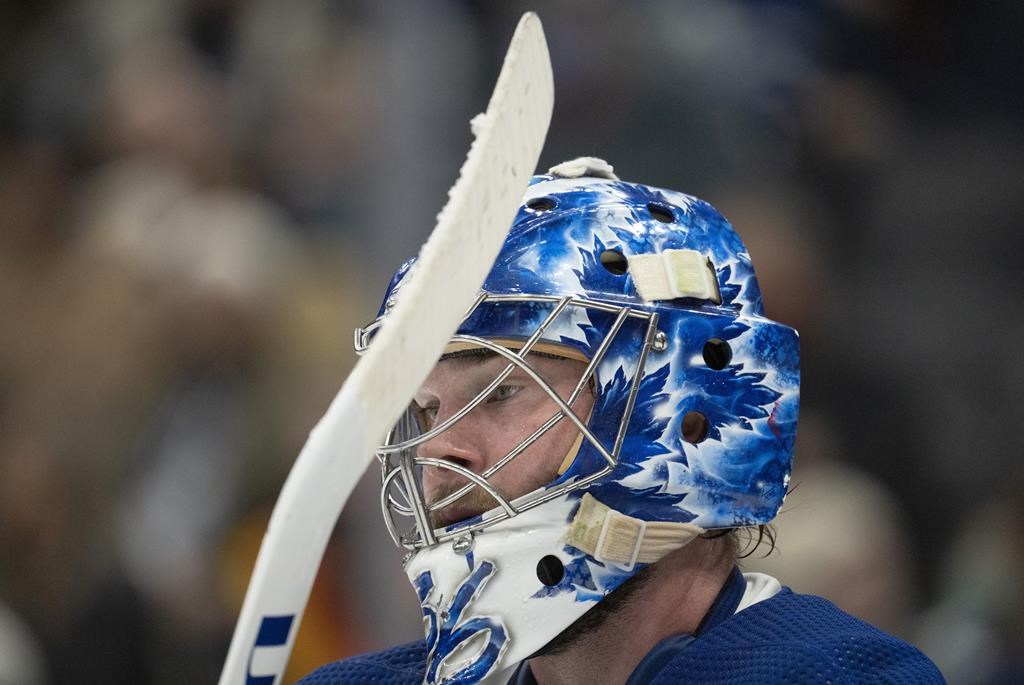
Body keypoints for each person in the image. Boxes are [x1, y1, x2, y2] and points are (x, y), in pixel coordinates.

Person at [300, 158, 944, 684]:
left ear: (688, 414)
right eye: (426, 409)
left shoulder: (833, 675)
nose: (439, 452)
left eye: (501, 392)